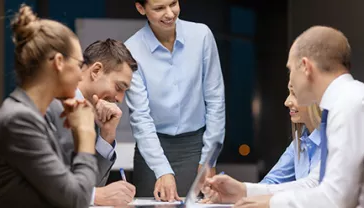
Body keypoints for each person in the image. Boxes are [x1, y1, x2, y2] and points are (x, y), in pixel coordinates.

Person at [202, 26, 364, 208]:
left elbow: (337, 199)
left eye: (290, 69)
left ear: (305, 67)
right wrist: (244, 190)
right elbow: (314, 182)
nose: (290, 80)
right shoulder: (346, 101)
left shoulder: (349, 104)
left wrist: (271, 203)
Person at [0, 4, 98, 207]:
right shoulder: (19, 120)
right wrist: (86, 133)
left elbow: (68, 188)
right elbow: (75, 200)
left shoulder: (34, 116)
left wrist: (79, 137)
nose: (80, 74)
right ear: (58, 62)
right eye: (79, 65)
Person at [125, 0, 226, 201]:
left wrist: (209, 159)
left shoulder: (202, 36)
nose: (170, 13)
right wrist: (161, 169)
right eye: (159, 8)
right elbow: (140, 117)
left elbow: (215, 99)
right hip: (152, 149)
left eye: (173, 3)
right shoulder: (131, 50)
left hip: (196, 146)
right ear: (140, 8)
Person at [46, 39, 137, 206]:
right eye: (119, 87)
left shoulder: (94, 116)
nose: (120, 99)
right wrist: (94, 195)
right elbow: (39, 178)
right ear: (96, 71)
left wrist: (107, 135)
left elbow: (94, 184)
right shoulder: (49, 105)